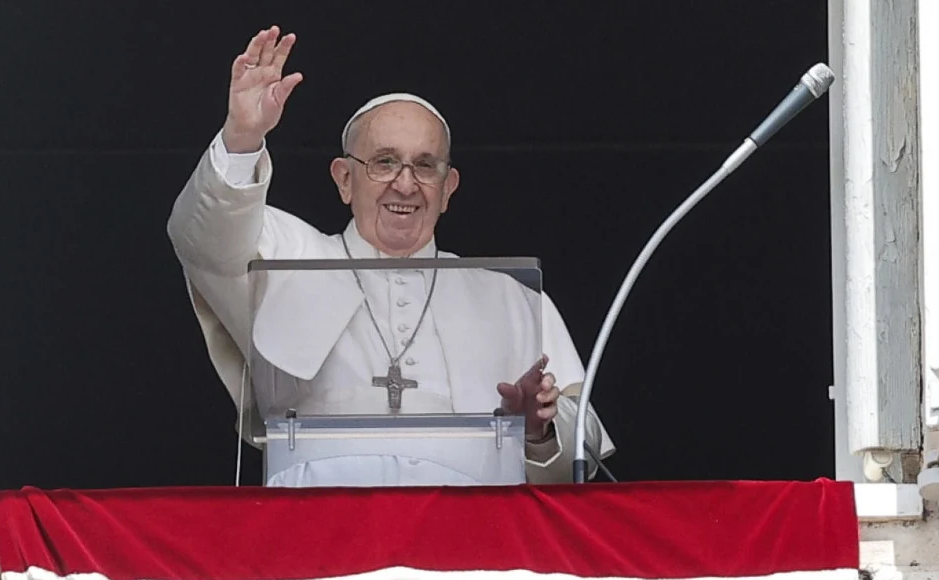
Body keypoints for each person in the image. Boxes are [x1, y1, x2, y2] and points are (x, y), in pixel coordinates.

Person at [167, 25, 614, 487]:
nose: (405, 184)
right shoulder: (287, 257)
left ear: (448, 189)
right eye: (383, 162)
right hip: (317, 537)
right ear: (344, 179)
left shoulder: (513, 299)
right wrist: (241, 137)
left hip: (470, 541)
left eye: (425, 165)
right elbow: (204, 238)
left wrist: (538, 430)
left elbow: (579, 451)